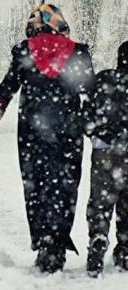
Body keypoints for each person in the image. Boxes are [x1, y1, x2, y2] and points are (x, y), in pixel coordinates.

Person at [0, 4, 95, 273]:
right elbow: (89, 92)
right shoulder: (77, 52)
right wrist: (95, 126)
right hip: (68, 133)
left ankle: (45, 243)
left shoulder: (25, 51)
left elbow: (6, 89)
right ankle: (56, 243)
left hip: (32, 133)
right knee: (65, 187)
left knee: (36, 186)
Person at [83, 41, 128, 278]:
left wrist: (97, 136)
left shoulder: (103, 79)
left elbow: (87, 112)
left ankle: (98, 236)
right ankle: (125, 250)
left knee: (100, 200)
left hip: (105, 151)